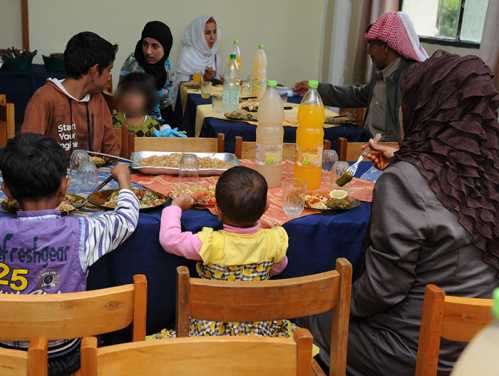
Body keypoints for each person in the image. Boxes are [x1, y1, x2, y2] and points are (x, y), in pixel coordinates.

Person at [299, 52, 499, 375]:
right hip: (483, 345)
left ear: (425, 107)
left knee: (310, 318)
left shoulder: (404, 182)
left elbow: (381, 290)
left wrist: (332, 303)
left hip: (417, 349)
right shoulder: (486, 172)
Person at [0, 133, 140, 376]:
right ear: (65, 186)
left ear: (7, 191)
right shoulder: (83, 232)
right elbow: (126, 220)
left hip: (4, 355)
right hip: (64, 355)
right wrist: (124, 183)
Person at [158, 166, 291, 337]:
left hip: (211, 331)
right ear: (266, 206)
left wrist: (175, 207)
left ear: (218, 211)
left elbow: (169, 239)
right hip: (259, 330)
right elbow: (279, 266)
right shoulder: (275, 240)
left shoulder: (210, 244)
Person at [293, 11, 428, 142]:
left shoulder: (410, 79)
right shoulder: (382, 72)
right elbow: (356, 95)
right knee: (303, 132)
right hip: (364, 138)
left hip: (383, 149)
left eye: (371, 45)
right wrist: (317, 89)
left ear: (386, 47)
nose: (368, 51)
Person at [22, 32, 119, 155]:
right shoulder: (44, 98)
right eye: (109, 70)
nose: (109, 77)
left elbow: (111, 151)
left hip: (95, 173)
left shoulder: (98, 99)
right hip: (51, 173)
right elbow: (27, 152)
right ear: (94, 71)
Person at [120, 21, 175, 124]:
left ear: (166, 47)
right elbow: (127, 104)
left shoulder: (166, 65)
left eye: (155, 46)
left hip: (158, 120)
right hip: (135, 121)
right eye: (145, 44)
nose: (148, 51)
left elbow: (166, 103)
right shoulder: (133, 64)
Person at [174, 16, 222, 86]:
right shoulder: (187, 54)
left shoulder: (214, 55)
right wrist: (204, 78)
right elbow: (180, 85)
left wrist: (220, 81)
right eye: (208, 33)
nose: (213, 37)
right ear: (198, 35)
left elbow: (216, 86)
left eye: (214, 32)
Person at [114, 72, 161, 137]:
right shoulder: (114, 121)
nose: (131, 99)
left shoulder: (153, 125)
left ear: (148, 98)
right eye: (127, 93)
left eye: (136, 94)